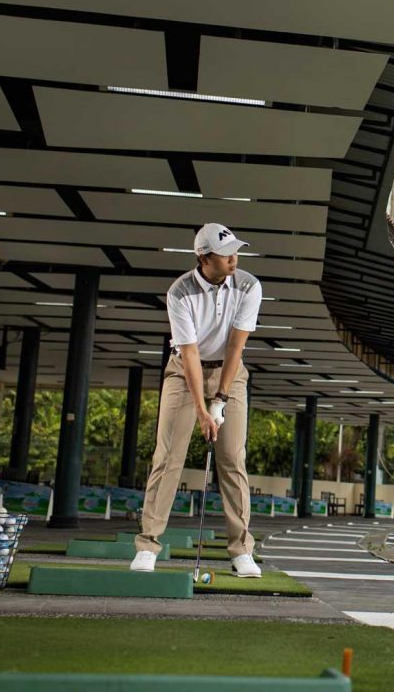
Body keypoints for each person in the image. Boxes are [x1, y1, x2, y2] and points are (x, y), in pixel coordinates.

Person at [131, 223, 262, 577]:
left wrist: (219, 400)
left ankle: (241, 552)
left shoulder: (249, 285)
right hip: (184, 372)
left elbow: (236, 346)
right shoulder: (180, 292)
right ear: (204, 258)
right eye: (226, 253)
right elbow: (188, 355)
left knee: (233, 458)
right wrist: (203, 411)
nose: (234, 257)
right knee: (167, 457)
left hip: (230, 375)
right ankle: (148, 546)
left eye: (236, 250)